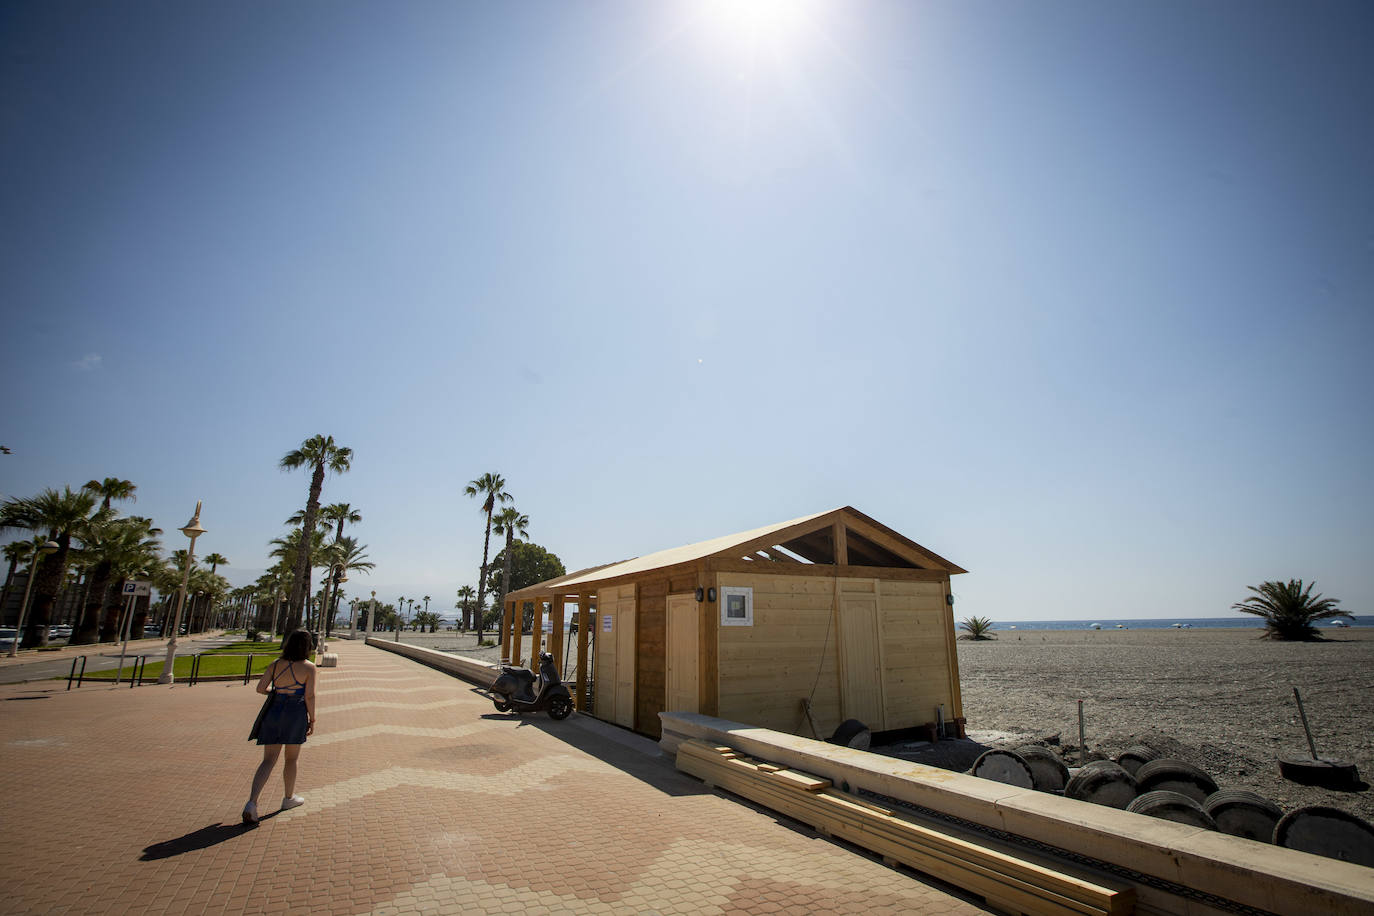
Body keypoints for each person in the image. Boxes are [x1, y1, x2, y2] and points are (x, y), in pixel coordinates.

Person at [242, 628, 316, 825]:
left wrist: (276, 694)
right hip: (295, 713)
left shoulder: (275, 665)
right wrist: (313, 719)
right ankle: (288, 798)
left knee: (268, 760)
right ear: (307, 646)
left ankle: (252, 803)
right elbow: (309, 696)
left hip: (274, 711)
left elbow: (260, 688)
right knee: (291, 759)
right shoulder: (309, 667)